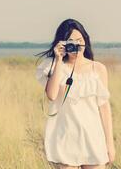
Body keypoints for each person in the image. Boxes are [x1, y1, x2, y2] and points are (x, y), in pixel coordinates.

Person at [35, 18, 116, 169]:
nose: (77, 46)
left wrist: (110, 144)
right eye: (71, 42)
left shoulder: (98, 69)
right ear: (63, 44)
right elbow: (51, 95)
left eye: (80, 40)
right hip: (65, 138)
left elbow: (104, 108)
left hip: (93, 137)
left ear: (86, 40)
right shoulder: (53, 66)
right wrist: (58, 60)